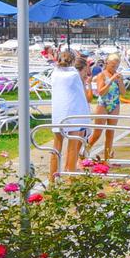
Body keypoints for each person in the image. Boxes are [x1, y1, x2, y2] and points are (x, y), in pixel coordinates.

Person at [48, 48, 93, 179]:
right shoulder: (73, 74)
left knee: (56, 148)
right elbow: (80, 97)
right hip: (73, 114)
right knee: (72, 148)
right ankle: (70, 179)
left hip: (58, 114)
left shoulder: (54, 74)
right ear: (72, 61)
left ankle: (52, 179)